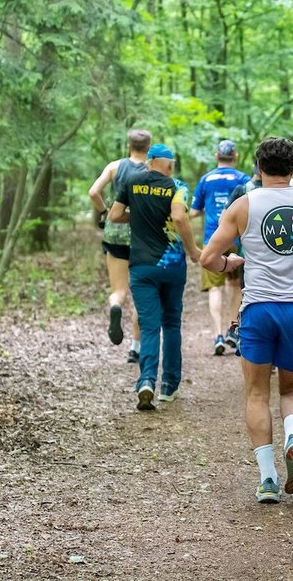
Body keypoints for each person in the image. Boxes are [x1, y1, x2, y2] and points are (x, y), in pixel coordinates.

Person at [201, 137, 293, 504]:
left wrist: (229, 263)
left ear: (258, 168)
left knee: (256, 393)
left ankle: (267, 479)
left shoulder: (243, 205)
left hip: (259, 308)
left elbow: (208, 259)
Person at [108, 143, 201, 411]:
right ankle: (169, 387)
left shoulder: (131, 181)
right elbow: (179, 217)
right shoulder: (177, 186)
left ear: (149, 161)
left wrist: (136, 216)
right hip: (172, 265)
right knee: (171, 324)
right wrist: (193, 250)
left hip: (141, 266)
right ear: (169, 164)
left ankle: (146, 380)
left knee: (149, 326)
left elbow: (114, 215)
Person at [88, 129, 149, 363]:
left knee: (119, 291)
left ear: (128, 146)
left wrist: (104, 211)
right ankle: (135, 347)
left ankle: (115, 306)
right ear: (148, 147)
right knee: (141, 295)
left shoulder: (115, 166)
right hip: (143, 236)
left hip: (114, 234)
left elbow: (93, 191)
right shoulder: (152, 169)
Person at [190, 140, 251, 355]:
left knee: (214, 289)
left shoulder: (206, 179)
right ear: (235, 156)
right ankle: (232, 330)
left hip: (211, 240)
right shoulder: (243, 179)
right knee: (234, 286)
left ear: (217, 155)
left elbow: (194, 211)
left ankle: (217, 335)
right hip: (235, 239)